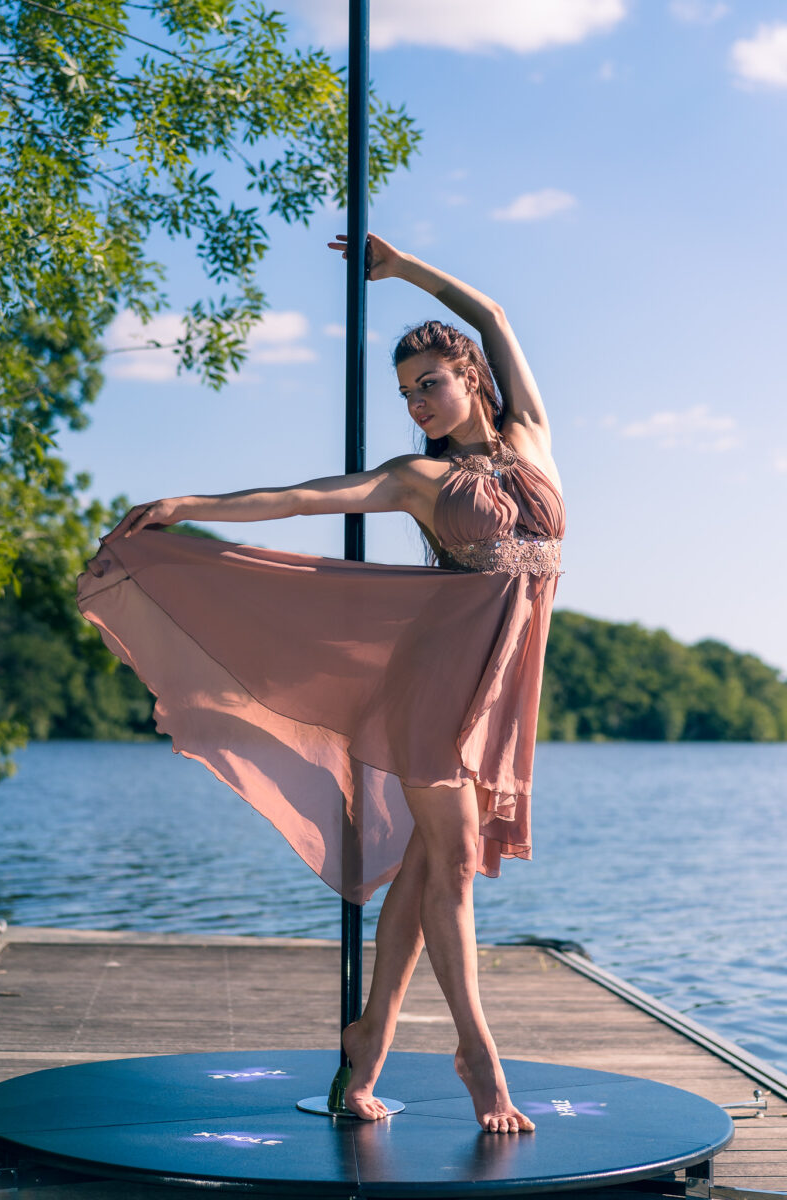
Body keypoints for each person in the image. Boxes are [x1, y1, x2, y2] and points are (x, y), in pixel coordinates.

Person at [79, 233, 565, 1134]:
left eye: (431, 382)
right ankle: (478, 1057)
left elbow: (492, 314)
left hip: (498, 691)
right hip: (432, 684)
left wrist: (403, 267)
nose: (419, 403)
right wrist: (190, 506)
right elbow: (303, 497)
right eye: (407, 393)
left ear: (470, 375)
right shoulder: (416, 479)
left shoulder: (533, 439)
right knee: (451, 867)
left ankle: (367, 1045)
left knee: (425, 876)